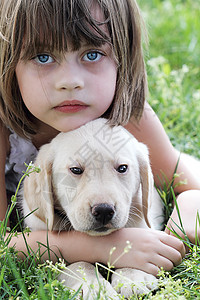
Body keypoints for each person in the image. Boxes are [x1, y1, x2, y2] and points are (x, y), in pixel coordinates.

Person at [0, 0, 199, 277]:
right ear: (8, 64)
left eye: (92, 54)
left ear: (123, 57)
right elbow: (4, 244)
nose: (70, 81)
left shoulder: (127, 116)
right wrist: (104, 248)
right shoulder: (3, 131)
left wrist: (177, 229)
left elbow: (191, 188)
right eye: (43, 57)